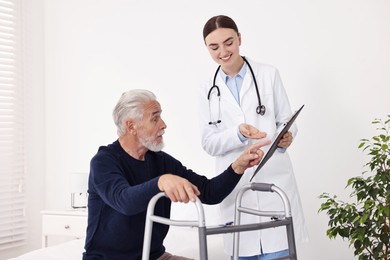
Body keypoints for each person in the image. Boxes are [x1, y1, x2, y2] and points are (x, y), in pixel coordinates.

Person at [82, 89, 270, 260]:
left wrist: (238, 166)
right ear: (131, 126)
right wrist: (161, 182)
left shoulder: (161, 161)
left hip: (154, 256)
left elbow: (209, 192)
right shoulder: (104, 161)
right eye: (155, 118)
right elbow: (124, 201)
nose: (164, 125)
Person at [198, 15, 309, 259]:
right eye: (214, 47)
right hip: (236, 187)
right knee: (243, 250)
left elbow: (285, 120)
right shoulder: (208, 88)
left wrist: (285, 137)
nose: (223, 52)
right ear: (207, 48)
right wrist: (237, 133)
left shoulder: (268, 74)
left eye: (229, 42)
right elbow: (208, 142)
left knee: (278, 249)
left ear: (239, 38)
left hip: (273, 182)